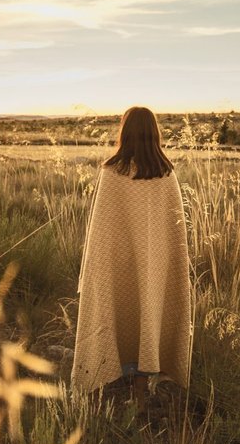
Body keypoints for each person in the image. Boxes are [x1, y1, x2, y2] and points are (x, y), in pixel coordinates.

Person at [72, 106, 193, 405]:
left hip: (118, 267)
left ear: (124, 133)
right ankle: (140, 392)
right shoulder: (166, 174)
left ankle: (120, 386)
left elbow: (101, 238)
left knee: (122, 309)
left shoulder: (112, 173)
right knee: (148, 309)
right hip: (155, 268)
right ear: (155, 134)